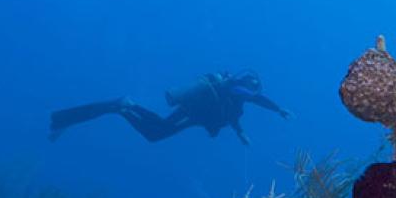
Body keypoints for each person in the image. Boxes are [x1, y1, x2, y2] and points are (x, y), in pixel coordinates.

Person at [50, 71, 292, 145]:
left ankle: (128, 105)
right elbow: (252, 99)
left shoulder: (234, 101)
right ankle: (124, 107)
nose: (251, 94)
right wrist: (278, 109)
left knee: (159, 128)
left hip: (193, 114)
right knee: (156, 133)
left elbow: (232, 116)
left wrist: (241, 135)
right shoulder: (238, 91)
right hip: (192, 113)